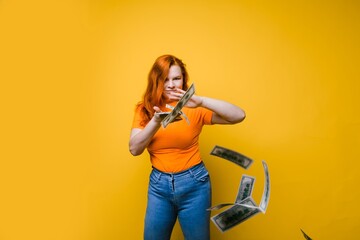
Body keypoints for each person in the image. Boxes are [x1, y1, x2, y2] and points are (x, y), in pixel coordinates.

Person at [129, 54, 246, 240]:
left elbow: (238, 115)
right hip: (159, 187)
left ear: (183, 79)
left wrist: (201, 101)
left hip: (195, 184)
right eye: (164, 79)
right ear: (156, 80)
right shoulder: (145, 108)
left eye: (176, 78)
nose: (171, 85)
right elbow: (134, 149)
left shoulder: (193, 107)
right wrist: (155, 122)